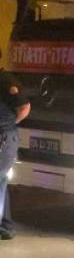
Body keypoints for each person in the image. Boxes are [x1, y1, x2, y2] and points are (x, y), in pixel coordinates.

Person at [0, 52, 30, 240]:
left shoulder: (5, 80)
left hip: (4, 137)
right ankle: (5, 225)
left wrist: (10, 124)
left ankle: (4, 225)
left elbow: (25, 107)